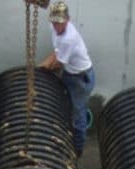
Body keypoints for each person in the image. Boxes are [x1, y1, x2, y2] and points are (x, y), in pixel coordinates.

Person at [38, 1, 95, 158]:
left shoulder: (68, 38)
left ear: (67, 20)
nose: (57, 27)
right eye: (55, 23)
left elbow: (57, 63)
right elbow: (45, 4)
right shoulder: (55, 22)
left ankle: (78, 149)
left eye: (60, 23)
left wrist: (40, 68)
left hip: (80, 79)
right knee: (65, 103)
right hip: (71, 74)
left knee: (78, 115)